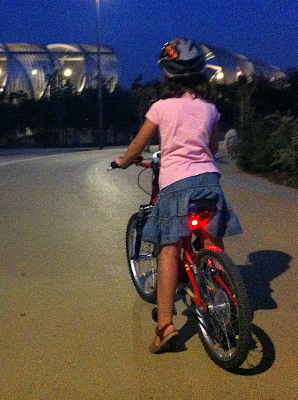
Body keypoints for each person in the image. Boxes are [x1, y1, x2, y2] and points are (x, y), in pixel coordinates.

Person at [114, 38, 243, 354]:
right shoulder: (210, 109)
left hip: (176, 185)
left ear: (167, 75)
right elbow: (212, 148)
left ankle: (165, 327)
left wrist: (124, 160)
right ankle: (225, 300)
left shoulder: (160, 107)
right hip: (209, 183)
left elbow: (138, 146)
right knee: (211, 242)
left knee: (169, 250)